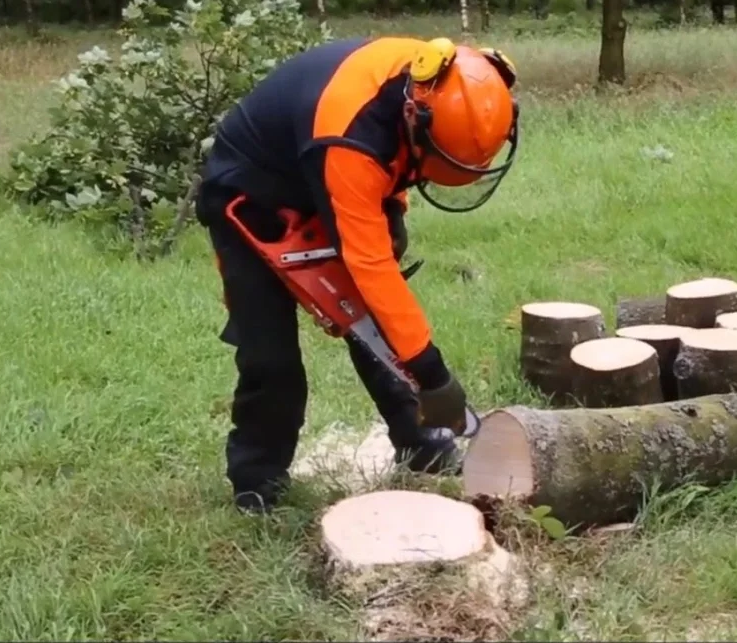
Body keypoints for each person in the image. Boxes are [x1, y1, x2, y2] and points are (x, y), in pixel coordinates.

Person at [194, 35, 520, 514]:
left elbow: (399, 161)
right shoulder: (349, 139)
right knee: (271, 356)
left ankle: (421, 443)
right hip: (251, 192)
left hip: (324, 167)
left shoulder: (443, 83)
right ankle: (256, 481)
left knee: (374, 324)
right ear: (416, 118)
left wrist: (392, 211)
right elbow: (369, 265)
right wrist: (433, 374)